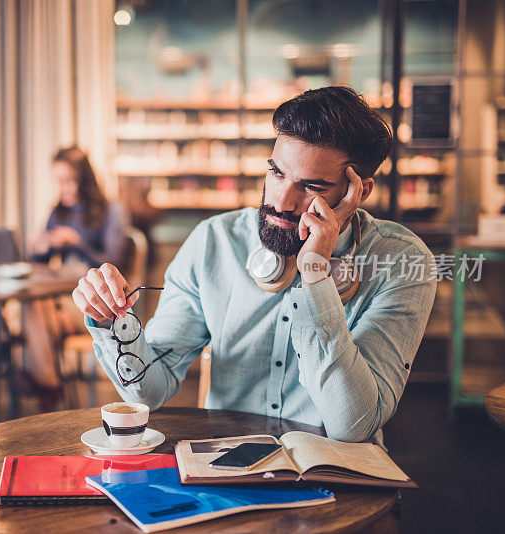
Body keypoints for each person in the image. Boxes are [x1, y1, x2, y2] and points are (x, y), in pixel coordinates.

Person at [71, 86, 437, 445]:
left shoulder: (401, 260)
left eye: (311, 186)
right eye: (277, 173)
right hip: (226, 470)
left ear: (359, 191)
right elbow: (149, 391)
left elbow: (351, 426)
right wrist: (110, 320)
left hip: (339, 486)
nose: (282, 201)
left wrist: (314, 274)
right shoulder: (215, 241)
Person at [24, 146, 128, 408]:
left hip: (95, 303)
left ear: (84, 179)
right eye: (58, 181)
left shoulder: (111, 211)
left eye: (69, 180)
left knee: (36, 310)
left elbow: (115, 263)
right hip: (59, 299)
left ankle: (46, 386)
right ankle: (50, 385)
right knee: (37, 304)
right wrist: (39, 249)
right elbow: (39, 267)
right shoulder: (58, 213)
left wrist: (76, 241)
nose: (64, 188)